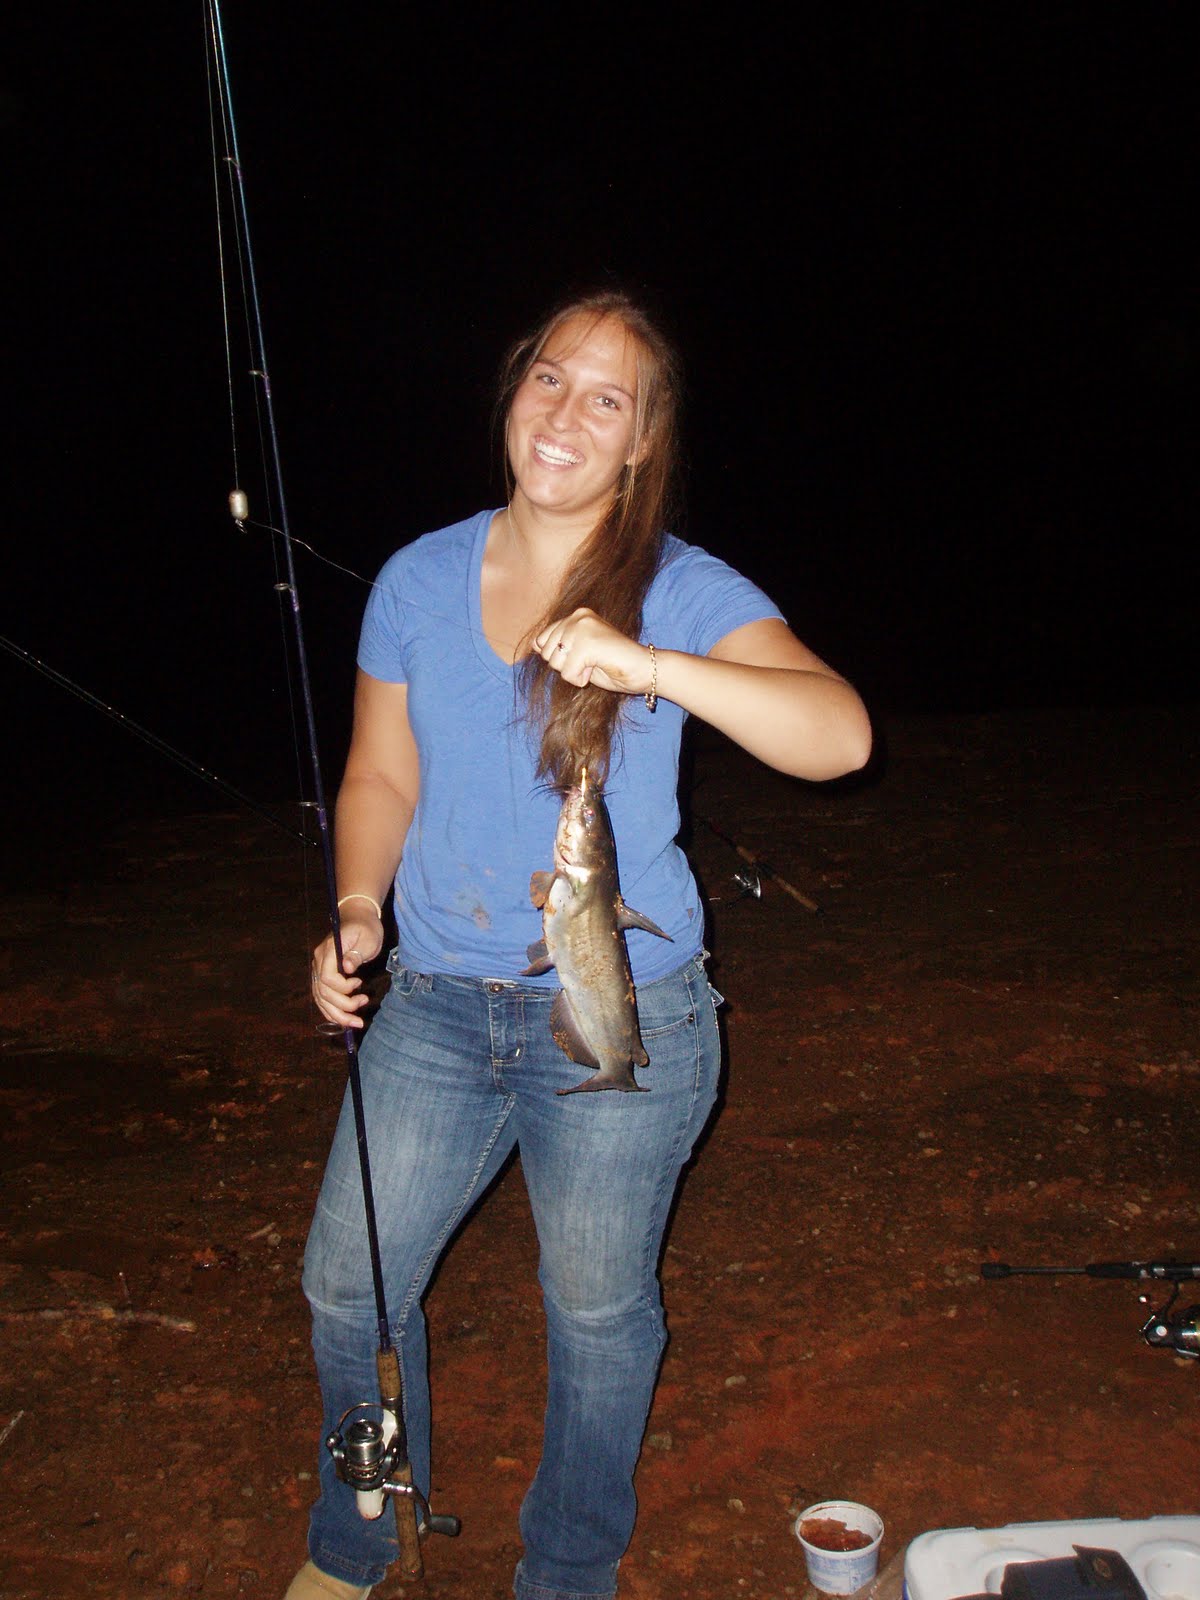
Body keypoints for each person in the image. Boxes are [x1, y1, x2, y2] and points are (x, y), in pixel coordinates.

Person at [287, 290, 872, 1600]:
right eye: (550, 377)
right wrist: (360, 905)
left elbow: (840, 736)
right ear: (513, 391)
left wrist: (650, 664)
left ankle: (567, 1568)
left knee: (597, 1315)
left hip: (627, 1010)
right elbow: (379, 775)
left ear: (642, 439)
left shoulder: (681, 586)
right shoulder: (417, 578)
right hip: (434, 1002)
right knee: (347, 1289)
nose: (566, 413)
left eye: (609, 398)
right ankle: (361, 1533)